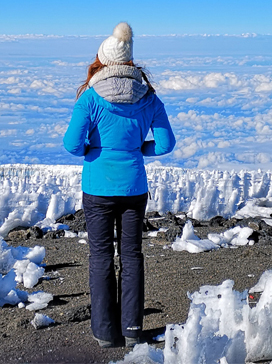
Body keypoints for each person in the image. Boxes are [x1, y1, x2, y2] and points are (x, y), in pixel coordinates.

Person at [63, 22, 176, 348]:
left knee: (100, 257)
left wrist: (94, 151)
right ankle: (131, 329)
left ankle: (104, 333)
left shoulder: (90, 98)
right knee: (132, 256)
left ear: (102, 61)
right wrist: (138, 149)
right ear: (129, 61)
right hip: (134, 188)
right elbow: (166, 144)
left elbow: (72, 145)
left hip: (98, 188)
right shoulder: (149, 98)